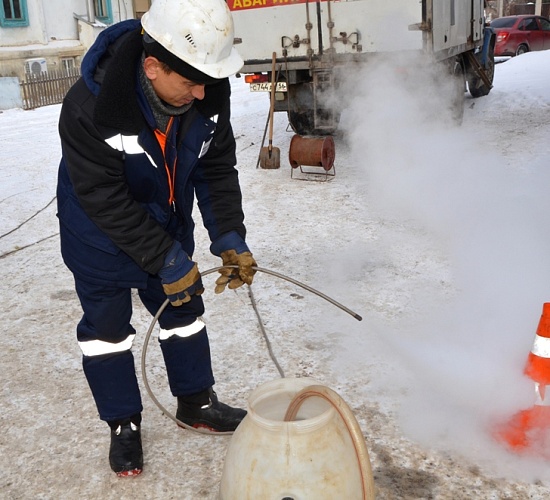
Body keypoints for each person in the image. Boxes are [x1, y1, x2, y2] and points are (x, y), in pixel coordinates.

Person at [56, 0, 256, 477]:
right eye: (189, 82)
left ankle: (195, 401)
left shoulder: (204, 93)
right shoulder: (89, 108)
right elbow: (102, 198)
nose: (200, 91)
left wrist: (228, 234)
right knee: (107, 333)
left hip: (165, 225)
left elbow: (215, 169)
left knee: (184, 311)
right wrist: (163, 258)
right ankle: (123, 424)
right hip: (98, 238)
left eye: (206, 80)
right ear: (152, 65)